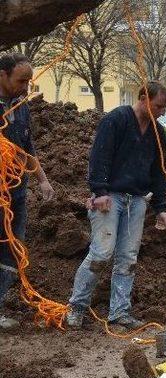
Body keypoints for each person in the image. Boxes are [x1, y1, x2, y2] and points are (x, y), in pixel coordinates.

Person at [66, 81, 166, 330]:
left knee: (128, 257)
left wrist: (161, 206)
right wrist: (99, 191)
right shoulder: (116, 120)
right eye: (158, 106)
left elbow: (159, 172)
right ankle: (76, 307)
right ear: (144, 98)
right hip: (109, 197)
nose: (162, 112)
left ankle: (119, 312)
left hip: (136, 199)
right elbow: (99, 156)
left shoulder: (158, 132)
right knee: (102, 253)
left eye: (164, 107)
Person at [0, 53, 55, 329]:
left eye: (29, 81)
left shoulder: (21, 106)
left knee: (13, 248)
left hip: (16, 193)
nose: (26, 86)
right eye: (21, 80)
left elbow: (26, 148)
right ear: (2, 75)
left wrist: (42, 180)